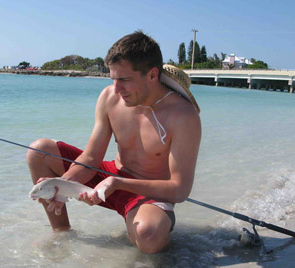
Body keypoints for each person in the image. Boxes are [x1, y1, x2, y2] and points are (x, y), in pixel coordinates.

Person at [27, 31, 201, 254]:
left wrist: (118, 183)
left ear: (152, 75)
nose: (117, 89)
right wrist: (62, 184)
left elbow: (179, 190)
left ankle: (164, 241)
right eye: (113, 79)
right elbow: (91, 158)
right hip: (109, 177)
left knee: (148, 236)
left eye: (125, 80)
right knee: (38, 151)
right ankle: (61, 233)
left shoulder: (183, 116)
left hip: (147, 193)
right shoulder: (110, 97)